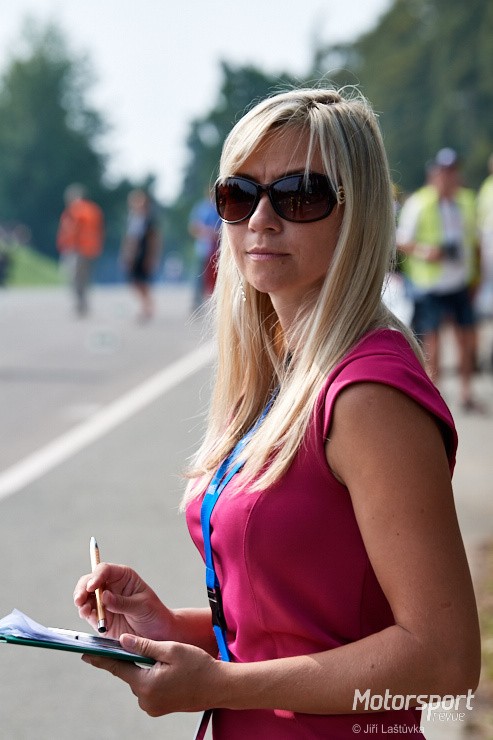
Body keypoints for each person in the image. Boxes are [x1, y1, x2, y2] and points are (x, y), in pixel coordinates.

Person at [74, 88, 480, 739]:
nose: (260, 219)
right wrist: (168, 628)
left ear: (357, 213)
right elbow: (297, 628)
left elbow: (443, 661)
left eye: (299, 195)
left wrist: (218, 683)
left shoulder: (368, 394)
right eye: (238, 195)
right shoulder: (280, 371)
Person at [396, 148, 482, 411]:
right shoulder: (419, 203)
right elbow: (401, 240)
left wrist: (477, 277)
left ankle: (466, 393)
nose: (449, 177)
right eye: (444, 172)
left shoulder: (466, 201)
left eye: (453, 172)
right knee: (433, 343)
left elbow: (475, 243)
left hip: (459, 282)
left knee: (466, 338)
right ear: (434, 174)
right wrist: (427, 252)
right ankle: (435, 395)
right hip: (430, 285)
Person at [56, 183, 104, 316]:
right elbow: (100, 229)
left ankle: (81, 303)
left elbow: (72, 229)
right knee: (85, 278)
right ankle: (83, 302)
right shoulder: (94, 209)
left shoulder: (75, 209)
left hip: (78, 249)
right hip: (92, 248)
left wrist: (65, 244)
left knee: (74, 277)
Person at [120, 189, 162, 322]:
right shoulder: (132, 218)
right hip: (133, 254)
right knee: (134, 281)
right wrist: (126, 253)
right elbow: (129, 239)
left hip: (143, 254)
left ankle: (146, 307)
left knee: (142, 281)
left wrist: (151, 257)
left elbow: (154, 240)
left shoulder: (149, 220)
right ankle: (146, 304)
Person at [188, 188, 220, 310]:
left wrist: (214, 233)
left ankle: (216, 300)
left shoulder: (219, 208)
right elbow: (193, 227)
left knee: (216, 276)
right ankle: (197, 302)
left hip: (218, 248)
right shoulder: (201, 208)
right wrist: (204, 231)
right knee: (199, 276)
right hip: (203, 248)